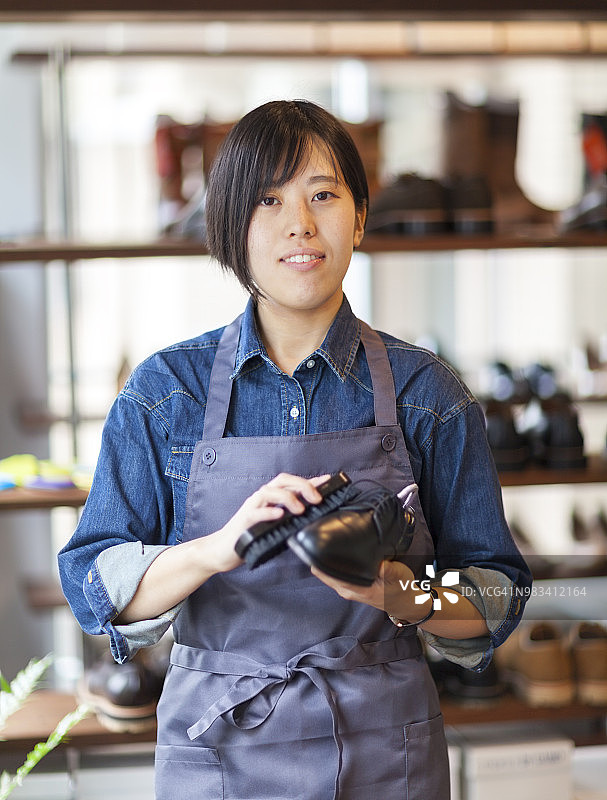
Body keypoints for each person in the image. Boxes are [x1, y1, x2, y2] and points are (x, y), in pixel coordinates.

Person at [58, 99, 532, 799]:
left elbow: (496, 591)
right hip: (216, 751)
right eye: (266, 201)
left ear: (360, 216)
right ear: (227, 226)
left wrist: (404, 592)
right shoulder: (165, 395)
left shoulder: (427, 394)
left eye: (322, 195)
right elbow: (93, 582)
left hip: (384, 750)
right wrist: (220, 548)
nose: (299, 225)